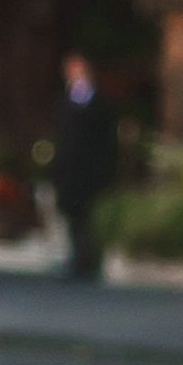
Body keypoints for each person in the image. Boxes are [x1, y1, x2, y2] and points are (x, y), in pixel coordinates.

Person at [48, 51, 119, 280]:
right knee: (72, 216)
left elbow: (106, 139)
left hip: (91, 170)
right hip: (69, 170)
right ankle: (77, 257)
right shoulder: (64, 101)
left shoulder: (99, 103)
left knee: (90, 216)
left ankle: (89, 259)